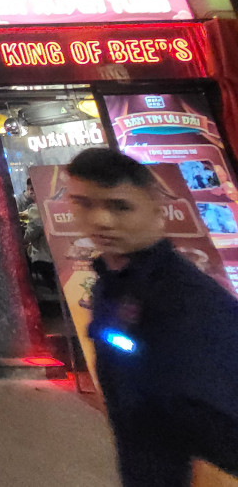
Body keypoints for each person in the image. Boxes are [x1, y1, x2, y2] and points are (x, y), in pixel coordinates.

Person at [66, 148, 238, 487]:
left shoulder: (186, 300)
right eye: (84, 204)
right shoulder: (110, 288)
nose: (101, 220)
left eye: (120, 206)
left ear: (157, 211)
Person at [19, 177, 57, 295]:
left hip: (43, 257)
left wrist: (21, 240)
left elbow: (33, 230)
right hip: (55, 255)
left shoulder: (36, 208)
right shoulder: (54, 204)